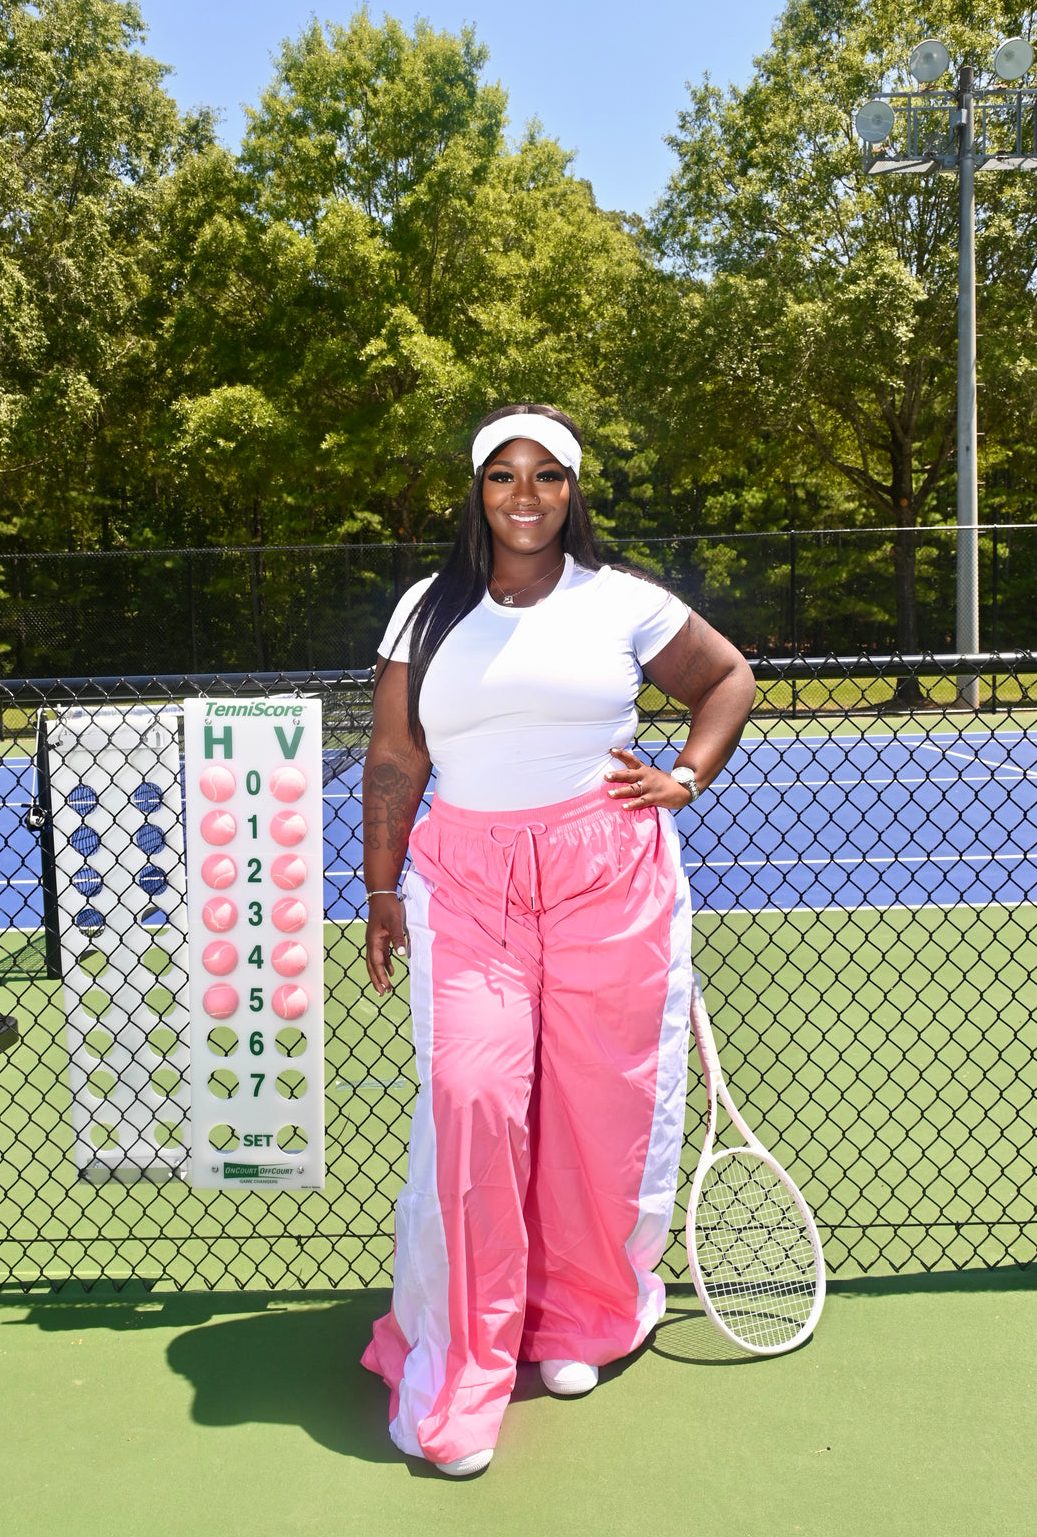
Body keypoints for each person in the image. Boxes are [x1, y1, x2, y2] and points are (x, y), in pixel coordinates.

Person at [360, 404, 755, 1476]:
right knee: (475, 1097)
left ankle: (581, 1315)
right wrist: (381, 886)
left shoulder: (620, 600)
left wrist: (686, 774)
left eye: (545, 475)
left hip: (607, 874)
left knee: (600, 1104)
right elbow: (395, 755)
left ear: (572, 489)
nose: (523, 494)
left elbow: (728, 677)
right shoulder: (426, 610)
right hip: (467, 880)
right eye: (502, 475)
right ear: (476, 491)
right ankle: (467, 1351)